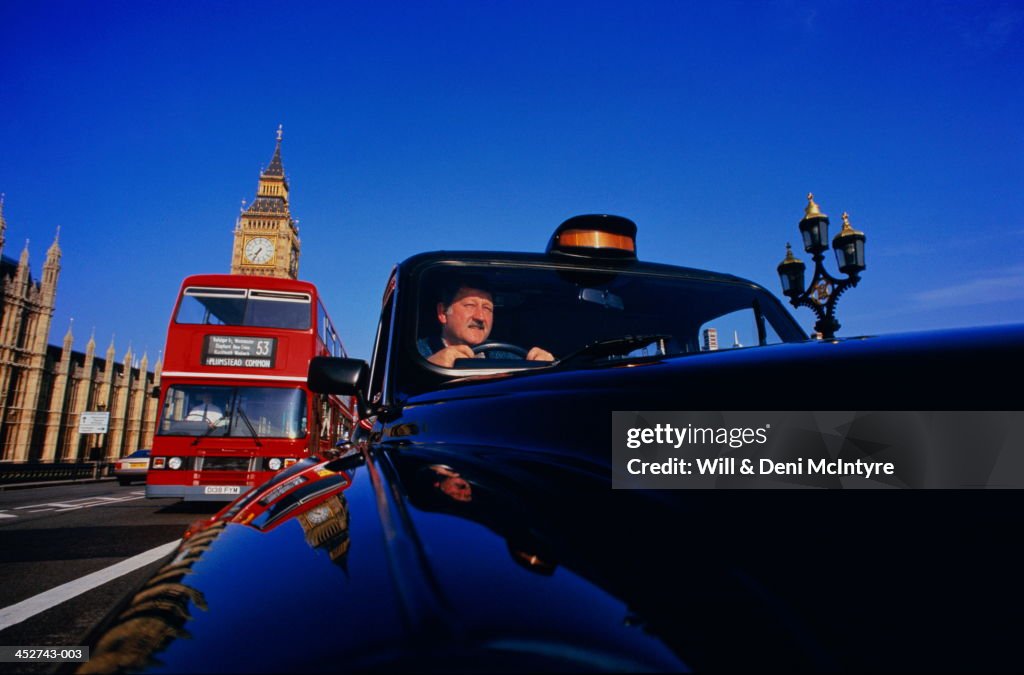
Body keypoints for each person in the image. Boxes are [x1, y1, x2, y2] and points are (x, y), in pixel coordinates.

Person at [419, 281, 554, 368]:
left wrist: (548, 367)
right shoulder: (416, 354)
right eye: (470, 305)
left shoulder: (508, 358)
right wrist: (426, 369)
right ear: (443, 312)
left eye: (487, 308)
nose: (480, 317)